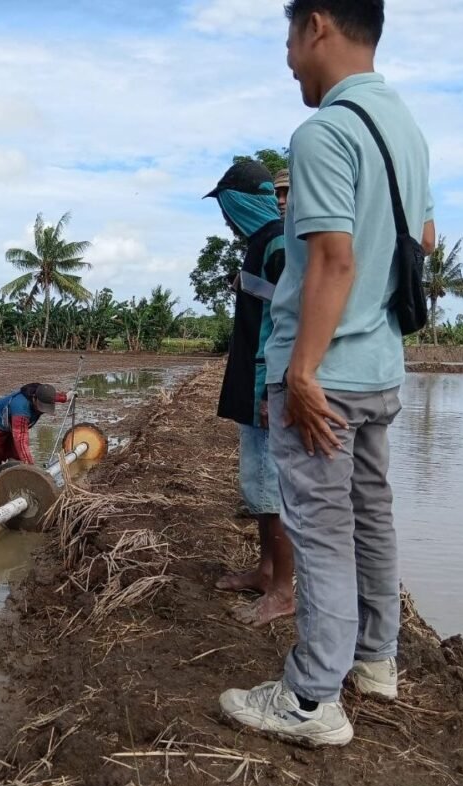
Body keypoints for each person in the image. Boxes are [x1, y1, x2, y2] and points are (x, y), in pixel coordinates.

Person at [219, 0, 435, 748]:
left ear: (317, 26)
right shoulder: (405, 129)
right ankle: (376, 660)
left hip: (326, 374)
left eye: (287, 40)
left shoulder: (323, 133)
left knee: (321, 531)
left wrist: (304, 372)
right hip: (379, 368)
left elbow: (334, 260)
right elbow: (423, 238)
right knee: (371, 516)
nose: (288, 61)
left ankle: (312, 699)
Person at [204, 160, 295, 629]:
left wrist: (276, 387)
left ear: (239, 203)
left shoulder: (278, 241)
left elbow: (295, 312)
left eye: (226, 208)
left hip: (269, 382)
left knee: (272, 490)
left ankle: (283, 591)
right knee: (260, 487)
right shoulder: (263, 242)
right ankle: (265, 572)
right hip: (257, 380)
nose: (225, 218)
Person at [0, 383, 68, 469]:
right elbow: (21, 441)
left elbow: (51, 397)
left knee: (16, 456)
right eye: (41, 407)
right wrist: (31, 468)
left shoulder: (43, 395)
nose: (42, 411)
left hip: (12, 423)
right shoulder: (21, 408)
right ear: (34, 398)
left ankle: (15, 471)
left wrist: (66, 397)